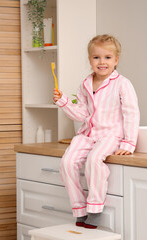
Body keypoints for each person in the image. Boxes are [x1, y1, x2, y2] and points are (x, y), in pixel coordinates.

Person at [53, 34, 140, 229]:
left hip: (111, 134)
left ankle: (94, 208)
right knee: (66, 163)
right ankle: (79, 208)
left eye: (108, 57)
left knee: (94, 160)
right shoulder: (85, 84)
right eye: (96, 57)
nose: (102, 62)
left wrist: (128, 143)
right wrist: (63, 101)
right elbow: (81, 114)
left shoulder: (122, 84)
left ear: (116, 60)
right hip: (87, 134)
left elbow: (131, 114)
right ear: (90, 59)